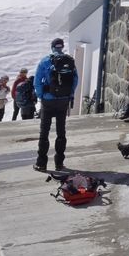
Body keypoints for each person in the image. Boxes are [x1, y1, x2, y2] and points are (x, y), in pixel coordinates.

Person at [34, 38, 78, 172]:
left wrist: (41, 95)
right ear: (62, 47)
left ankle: (41, 163)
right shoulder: (69, 60)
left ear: (52, 47)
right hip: (63, 100)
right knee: (61, 132)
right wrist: (69, 94)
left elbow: (37, 81)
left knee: (44, 132)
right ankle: (59, 163)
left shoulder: (46, 60)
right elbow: (75, 79)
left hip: (48, 100)